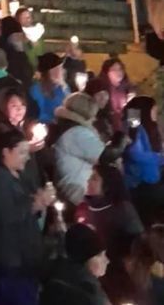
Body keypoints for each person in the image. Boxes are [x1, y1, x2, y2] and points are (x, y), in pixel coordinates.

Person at [0, 128, 53, 305]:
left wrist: (41, 200)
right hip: (11, 259)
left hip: (26, 257)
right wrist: (35, 203)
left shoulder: (20, 176)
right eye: (22, 152)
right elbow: (7, 214)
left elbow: (31, 207)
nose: (27, 157)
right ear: (5, 152)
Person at [76, 163, 144, 303]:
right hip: (97, 271)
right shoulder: (85, 207)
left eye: (94, 178)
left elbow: (140, 240)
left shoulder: (123, 209)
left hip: (120, 272)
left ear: (107, 185)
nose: (88, 181)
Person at [52, 93, 105, 205]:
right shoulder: (77, 133)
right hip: (77, 188)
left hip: (71, 185)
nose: (94, 118)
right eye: (93, 114)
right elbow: (103, 155)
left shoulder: (67, 128)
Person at [40, 223, 110, 305]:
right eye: (100, 255)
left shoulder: (57, 276)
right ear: (86, 258)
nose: (107, 260)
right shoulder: (88, 295)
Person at [122, 96, 164, 223]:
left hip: (150, 178)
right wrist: (159, 158)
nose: (156, 113)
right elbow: (134, 153)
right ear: (145, 110)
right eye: (153, 110)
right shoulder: (134, 125)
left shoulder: (150, 126)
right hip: (140, 183)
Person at [29, 52, 69, 124]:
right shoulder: (37, 89)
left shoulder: (64, 87)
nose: (62, 71)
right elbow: (39, 113)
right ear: (50, 72)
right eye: (59, 68)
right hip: (49, 127)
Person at [99, 58, 135, 132]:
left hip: (126, 128)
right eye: (114, 69)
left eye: (120, 69)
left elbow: (134, 119)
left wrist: (134, 127)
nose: (118, 72)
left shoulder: (128, 89)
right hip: (109, 128)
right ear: (106, 72)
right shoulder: (101, 90)